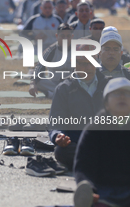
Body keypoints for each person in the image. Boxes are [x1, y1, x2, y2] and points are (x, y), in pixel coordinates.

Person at [48, 44, 109, 170]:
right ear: (74, 63)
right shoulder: (64, 89)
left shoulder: (109, 85)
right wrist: (58, 136)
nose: (87, 68)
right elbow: (56, 121)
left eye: (90, 63)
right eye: (82, 63)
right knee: (61, 152)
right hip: (78, 143)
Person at [74, 77, 130, 207]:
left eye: (127, 93)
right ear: (106, 103)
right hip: (102, 189)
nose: (122, 97)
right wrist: (89, 187)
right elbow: (83, 165)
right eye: (116, 93)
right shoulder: (95, 128)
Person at [29, 23, 73, 99]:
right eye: (62, 36)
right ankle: (60, 93)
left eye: (68, 36)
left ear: (72, 37)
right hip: (53, 83)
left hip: (71, 83)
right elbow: (39, 67)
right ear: (57, 36)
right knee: (39, 81)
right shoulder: (51, 50)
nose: (65, 38)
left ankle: (53, 94)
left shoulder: (78, 49)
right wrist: (33, 83)